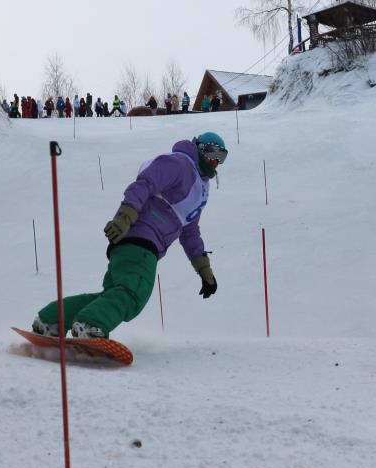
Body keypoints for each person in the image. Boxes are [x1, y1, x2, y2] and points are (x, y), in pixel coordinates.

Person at [30, 132, 228, 339]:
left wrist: (205, 271)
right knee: (134, 293)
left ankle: (51, 320)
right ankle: (90, 324)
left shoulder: (201, 187)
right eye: (212, 154)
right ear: (200, 149)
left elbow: (190, 232)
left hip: (140, 243)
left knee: (113, 295)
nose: (215, 162)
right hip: (141, 237)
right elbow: (144, 184)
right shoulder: (179, 163)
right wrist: (125, 216)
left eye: (221, 158)